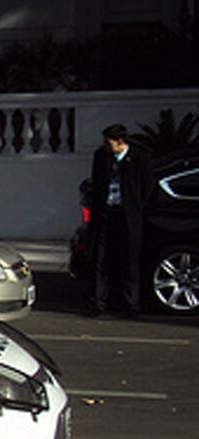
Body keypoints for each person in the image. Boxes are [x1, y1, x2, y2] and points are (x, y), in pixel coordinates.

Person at [87, 123, 154, 318]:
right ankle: (98, 302)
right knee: (101, 259)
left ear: (120, 142)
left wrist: (137, 207)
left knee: (129, 261)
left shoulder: (140, 158)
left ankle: (131, 304)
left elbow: (148, 187)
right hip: (107, 213)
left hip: (128, 215)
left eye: (109, 143)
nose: (106, 147)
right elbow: (97, 185)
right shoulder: (101, 158)